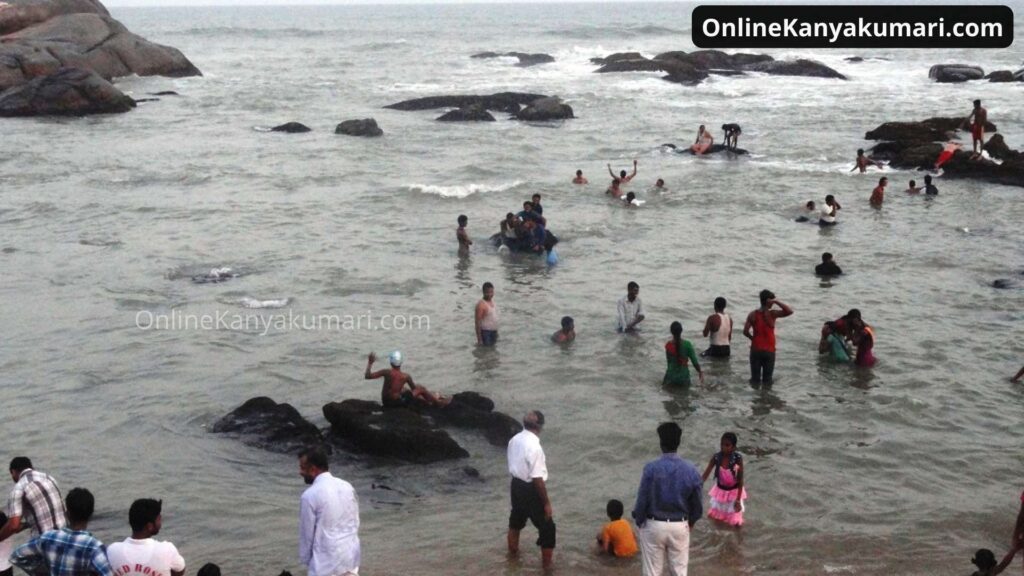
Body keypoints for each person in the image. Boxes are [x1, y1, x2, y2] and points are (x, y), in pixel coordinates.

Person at [632, 422, 703, 576]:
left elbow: (642, 499)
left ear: (661, 442)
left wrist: (639, 520)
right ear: (678, 442)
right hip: (680, 524)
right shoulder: (691, 470)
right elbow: (697, 505)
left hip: (654, 524)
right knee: (679, 571)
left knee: (652, 572)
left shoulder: (651, 468)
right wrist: (691, 522)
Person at [10, 487, 113, 576]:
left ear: (67, 513)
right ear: (90, 515)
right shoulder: (93, 547)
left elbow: (17, 556)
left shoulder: (48, 537)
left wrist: (41, 572)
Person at [297, 447, 360, 576]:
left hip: (325, 565)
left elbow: (307, 537)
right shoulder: (347, 486)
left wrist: (309, 563)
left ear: (313, 469)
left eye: (303, 468)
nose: (300, 472)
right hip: (350, 560)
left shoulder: (309, 496)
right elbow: (355, 522)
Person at [506, 411, 555, 569]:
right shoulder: (534, 447)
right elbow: (537, 479)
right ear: (540, 426)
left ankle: (513, 558)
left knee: (516, 522)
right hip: (530, 488)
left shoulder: (514, 440)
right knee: (547, 527)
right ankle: (546, 569)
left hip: (516, 485)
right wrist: (546, 503)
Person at [106, 499, 186, 576]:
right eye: (159, 519)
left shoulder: (113, 550)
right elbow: (180, 571)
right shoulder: (167, 549)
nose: (161, 522)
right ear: (150, 526)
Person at [0, 457, 66, 544]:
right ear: (31, 467)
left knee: (15, 556)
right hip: (64, 535)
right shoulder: (49, 478)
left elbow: (13, 526)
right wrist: (27, 524)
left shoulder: (18, 489)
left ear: (13, 472)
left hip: (44, 542)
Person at [743, 289, 794, 386]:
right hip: (769, 351)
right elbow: (789, 311)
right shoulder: (772, 314)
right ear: (768, 301)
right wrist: (777, 301)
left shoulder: (752, 314)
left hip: (756, 349)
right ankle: (766, 399)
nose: (773, 304)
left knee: (755, 380)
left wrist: (752, 338)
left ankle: (755, 399)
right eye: (772, 301)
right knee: (767, 380)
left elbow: (745, 331)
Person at [364, 351, 448, 408]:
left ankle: (430, 399)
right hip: (398, 404)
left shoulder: (386, 372)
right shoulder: (405, 376)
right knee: (420, 388)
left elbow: (367, 376)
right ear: (401, 363)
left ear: (391, 362)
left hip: (386, 402)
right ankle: (438, 403)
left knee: (404, 389)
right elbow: (414, 390)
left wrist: (370, 363)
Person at [701, 432, 747, 527]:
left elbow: (740, 480)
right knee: (717, 519)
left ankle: (738, 540)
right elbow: (705, 475)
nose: (723, 447)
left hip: (733, 493)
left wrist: (738, 500)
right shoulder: (716, 457)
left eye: (727, 445)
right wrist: (696, 486)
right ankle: (720, 538)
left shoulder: (737, 459)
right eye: (722, 444)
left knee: (736, 523)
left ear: (733, 447)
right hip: (720, 492)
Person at [664, 322, 704, 386]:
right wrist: (700, 372)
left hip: (670, 378)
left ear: (671, 331)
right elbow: (695, 362)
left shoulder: (668, 346)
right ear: (681, 331)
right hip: (683, 378)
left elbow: (669, 363)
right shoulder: (687, 344)